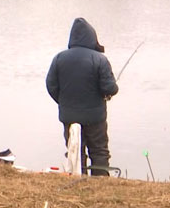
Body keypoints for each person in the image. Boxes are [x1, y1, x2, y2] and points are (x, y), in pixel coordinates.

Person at [46, 18, 118, 176]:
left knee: (75, 150)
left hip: (69, 116)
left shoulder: (59, 58)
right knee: (99, 151)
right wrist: (110, 92)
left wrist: (64, 102)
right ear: (92, 37)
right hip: (95, 118)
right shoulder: (100, 59)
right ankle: (100, 183)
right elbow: (110, 88)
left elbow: (51, 86)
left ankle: (79, 179)